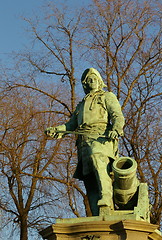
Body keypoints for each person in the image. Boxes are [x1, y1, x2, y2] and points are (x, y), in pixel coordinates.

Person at [45, 68, 125, 216]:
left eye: (94, 78)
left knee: (99, 162)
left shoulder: (107, 96)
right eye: (88, 79)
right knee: (89, 177)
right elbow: (70, 125)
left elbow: (117, 116)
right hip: (83, 142)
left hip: (101, 139)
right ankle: (96, 213)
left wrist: (116, 129)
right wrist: (57, 130)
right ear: (85, 84)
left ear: (99, 81)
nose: (92, 81)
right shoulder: (81, 105)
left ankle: (106, 201)